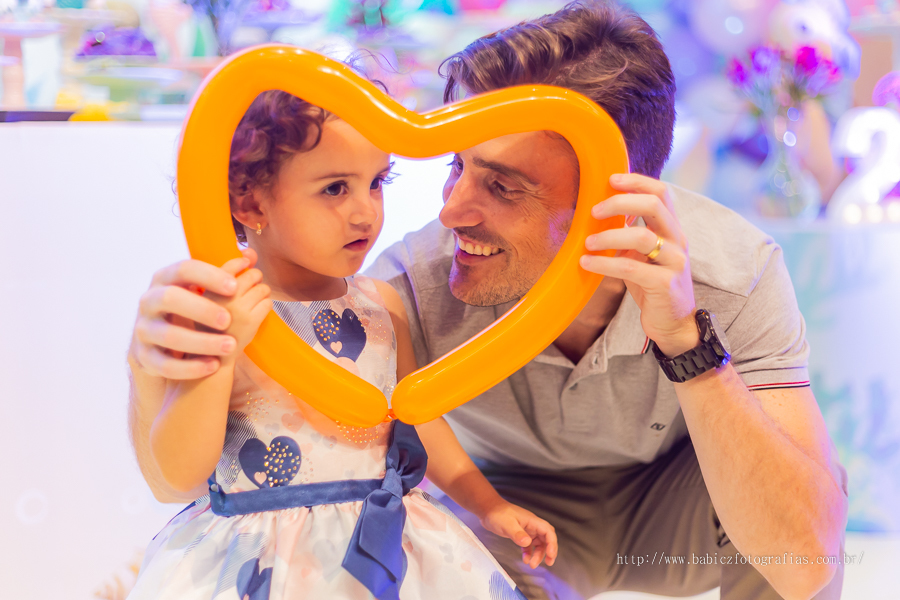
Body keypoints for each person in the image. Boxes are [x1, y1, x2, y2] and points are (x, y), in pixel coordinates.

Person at [128, 2, 849, 599]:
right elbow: (200, 461)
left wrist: (690, 344)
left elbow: (807, 551)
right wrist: (154, 363)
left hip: (673, 511)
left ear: (615, 203)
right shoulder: (402, 286)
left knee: (785, 519)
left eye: (503, 186)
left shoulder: (733, 272)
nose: (451, 212)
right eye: (455, 166)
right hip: (516, 518)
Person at [127, 90, 557, 600]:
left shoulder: (383, 303)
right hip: (263, 557)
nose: (365, 213)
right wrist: (221, 357)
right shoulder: (219, 310)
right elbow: (180, 472)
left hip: (387, 542)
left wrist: (488, 505)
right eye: (334, 189)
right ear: (250, 201)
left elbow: (417, 415)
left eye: (376, 183)